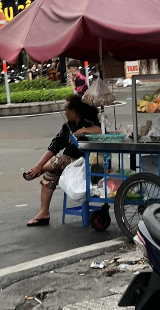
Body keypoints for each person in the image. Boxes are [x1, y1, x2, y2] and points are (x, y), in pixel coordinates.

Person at [22, 95, 101, 227]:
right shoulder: (67, 127)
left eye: (66, 110)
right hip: (69, 163)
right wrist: (39, 163)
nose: (65, 113)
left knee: (57, 161)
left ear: (73, 111)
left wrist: (83, 131)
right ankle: (44, 213)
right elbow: (54, 146)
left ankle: (37, 171)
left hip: (85, 162)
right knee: (50, 175)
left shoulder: (88, 121)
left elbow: (100, 130)